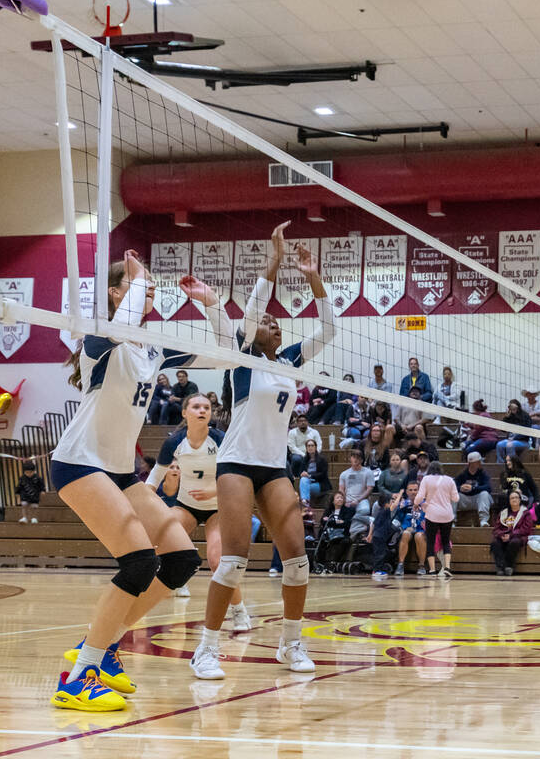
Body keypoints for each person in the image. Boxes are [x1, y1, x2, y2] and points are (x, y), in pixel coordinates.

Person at [49, 251, 226, 710]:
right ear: (116, 294)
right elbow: (119, 324)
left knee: (182, 560)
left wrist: (211, 304)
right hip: (80, 462)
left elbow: (227, 355)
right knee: (138, 562)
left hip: (119, 470)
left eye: (150, 289)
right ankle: (77, 677)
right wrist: (136, 278)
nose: (151, 294)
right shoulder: (100, 340)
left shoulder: (153, 348)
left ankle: (106, 646)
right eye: (140, 289)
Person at [190, 221, 334, 681]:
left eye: (277, 322)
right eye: (267, 321)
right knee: (232, 561)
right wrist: (273, 262)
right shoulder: (243, 358)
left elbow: (330, 327)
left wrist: (311, 275)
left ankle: (291, 644)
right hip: (235, 464)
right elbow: (253, 308)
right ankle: (206, 650)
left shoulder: (289, 361)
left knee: (297, 561)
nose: (273, 323)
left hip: (274, 467)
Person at [146, 394, 250, 631]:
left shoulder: (220, 440)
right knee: (161, 534)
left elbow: (235, 476)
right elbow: (155, 476)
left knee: (217, 561)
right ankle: (179, 577)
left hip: (217, 508)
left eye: (206, 407)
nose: (202, 410)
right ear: (185, 413)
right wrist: (141, 498)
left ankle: (239, 610)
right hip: (186, 506)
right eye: (196, 406)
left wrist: (213, 492)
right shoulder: (174, 442)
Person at [415, 461, 458, 580]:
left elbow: (420, 496)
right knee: (445, 541)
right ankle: (447, 568)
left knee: (430, 542)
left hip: (432, 514)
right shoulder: (449, 480)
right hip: (447, 514)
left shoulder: (426, 479)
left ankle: (432, 570)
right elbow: (456, 498)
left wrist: (416, 503)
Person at [491, 490, 535, 575]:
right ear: (509, 501)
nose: (514, 499)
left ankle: (509, 566)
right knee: (495, 542)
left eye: (516, 497)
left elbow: (525, 529)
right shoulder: (503, 513)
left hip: (518, 536)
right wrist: (501, 535)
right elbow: (496, 529)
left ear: (519, 500)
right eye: (512, 498)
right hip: (504, 536)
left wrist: (510, 535)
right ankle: (500, 567)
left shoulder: (525, 513)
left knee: (514, 542)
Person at [396, 479, 431, 575]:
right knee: (405, 534)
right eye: (410, 490)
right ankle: (400, 565)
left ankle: (422, 566)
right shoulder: (403, 504)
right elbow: (398, 519)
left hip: (421, 530)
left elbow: (428, 520)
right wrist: (404, 527)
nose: (413, 492)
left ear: (419, 491)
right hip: (407, 529)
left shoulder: (425, 504)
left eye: (415, 490)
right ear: (406, 492)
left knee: (419, 536)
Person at [366, 492, 403, 580]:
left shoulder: (381, 512)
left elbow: (373, 524)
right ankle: (376, 571)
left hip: (378, 536)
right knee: (380, 554)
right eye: (391, 501)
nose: (392, 502)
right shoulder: (385, 511)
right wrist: (400, 494)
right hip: (380, 537)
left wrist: (370, 535)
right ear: (387, 504)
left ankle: (378, 569)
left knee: (381, 552)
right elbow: (395, 505)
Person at [454, 450, 494, 526]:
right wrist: (460, 488)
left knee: (484, 494)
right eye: (478, 461)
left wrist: (473, 488)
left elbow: (489, 487)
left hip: (478, 501)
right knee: (454, 495)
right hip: (465, 501)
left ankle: (483, 521)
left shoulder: (483, 473)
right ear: (471, 463)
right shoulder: (462, 474)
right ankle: (452, 521)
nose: (480, 463)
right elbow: (453, 487)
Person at [318, 492, 354, 571]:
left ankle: (334, 562)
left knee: (345, 541)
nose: (340, 499)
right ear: (333, 501)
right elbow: (323, 522)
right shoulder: (329, 510)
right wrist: (338, 522)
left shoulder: (348, 510)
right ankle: (320, 563)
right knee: (321, 541)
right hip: (329, 533)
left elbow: (346, 523)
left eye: (341, 498)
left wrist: (331, 521)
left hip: (342, 534)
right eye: (338, 498)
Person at [339, 449, 375, 516]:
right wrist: (344, 500)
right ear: (350, 459)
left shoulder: (368, 472)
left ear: (361, 460)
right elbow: (341, 489)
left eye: (358, 458)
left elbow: (369, 489)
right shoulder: (344, 474)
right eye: (353, 457)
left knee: (365, 510)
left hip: (362, 500)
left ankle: (353, 520)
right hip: (347, 500)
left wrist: (358, 500)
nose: (355, 459)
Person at [16, 459, 44, 524]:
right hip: (24, 495)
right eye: (27, 472)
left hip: (35, 495)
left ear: (34, 471)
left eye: (30, 472)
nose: (28, 474)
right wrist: (17, 492)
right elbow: (19, 485)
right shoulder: (22, 478)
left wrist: (43, 490)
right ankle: (24, 517)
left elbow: (41, 484)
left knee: (34, 507)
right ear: (24, 472)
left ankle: (34, 518)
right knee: (24, 505)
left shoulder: (37, 478)